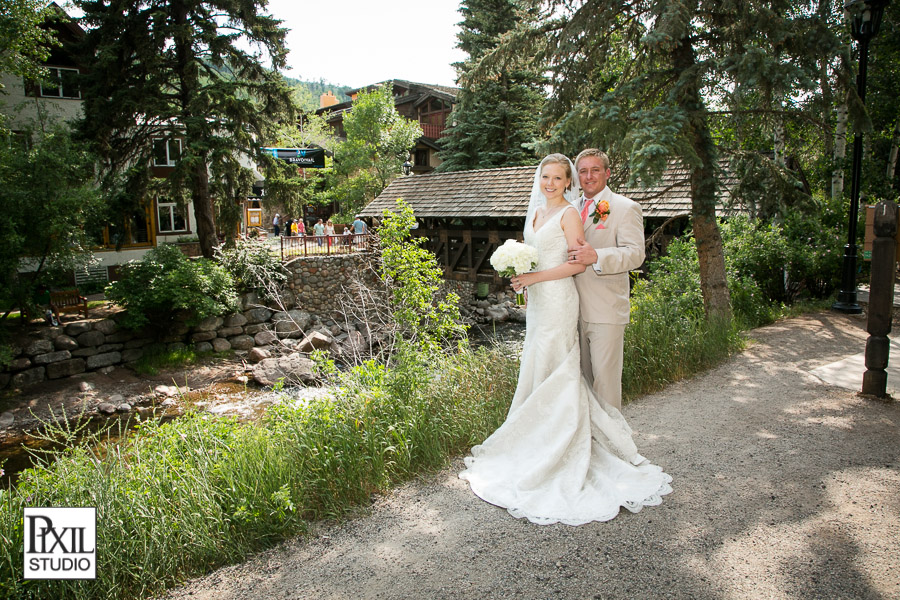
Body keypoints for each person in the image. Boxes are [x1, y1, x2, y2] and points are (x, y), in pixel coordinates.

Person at [459, 153, 671, 525]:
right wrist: (523, 274)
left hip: (590, 305)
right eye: (546, 177)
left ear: (599, 174)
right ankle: (545, 441)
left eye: (560, 177)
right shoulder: (552, 209)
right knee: (557, 371)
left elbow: (618, 255)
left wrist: (538, 278)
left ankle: (608, 452)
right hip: (547, 303)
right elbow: (543, 254)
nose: (551, 182)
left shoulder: (612, 208)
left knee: (598, 381)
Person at [567, 149, 645, 412]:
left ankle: (613, 449)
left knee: (606, 386)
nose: (589, 176)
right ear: (577, 176)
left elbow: (635, 254)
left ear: (607, 173)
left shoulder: (625, 208)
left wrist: (597, 255)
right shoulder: (569, 209)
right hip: (570, 309)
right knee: (582, 385)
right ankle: (590, 445)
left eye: (595, 170)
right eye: (583, 171)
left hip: (606, 309)